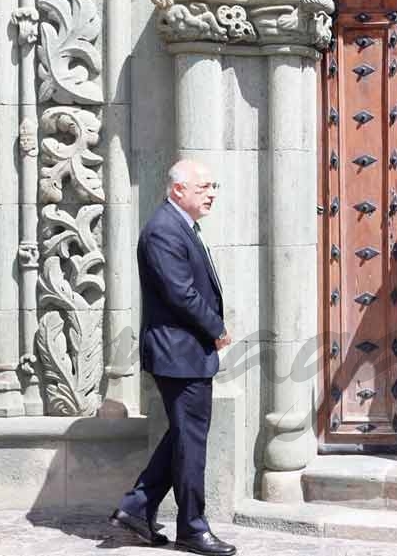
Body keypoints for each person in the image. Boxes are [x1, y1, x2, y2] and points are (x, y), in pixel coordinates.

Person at [110, 159, 236, 556]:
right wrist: (216, 328)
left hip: (184, 353)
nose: (212, 193)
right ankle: (192, 528)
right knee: (191, 444)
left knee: (184, 437)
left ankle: (135, 509)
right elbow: (181, 294)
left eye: (213, 186)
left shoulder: (179, 225)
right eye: (204, 187)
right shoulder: (164, 230)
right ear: (178, 189)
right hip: (179, 353)